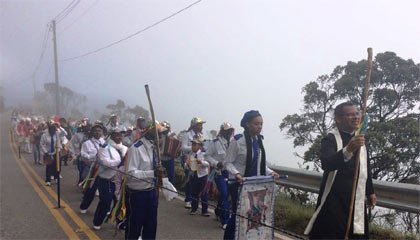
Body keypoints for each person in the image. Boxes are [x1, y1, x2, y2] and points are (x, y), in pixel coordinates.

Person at [305, 102, 377, 239]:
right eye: (350, 114)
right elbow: (327, 163)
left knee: (356, 232)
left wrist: (370, 191)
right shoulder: (330, 139)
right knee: (332, 233)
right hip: (335, 198)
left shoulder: (360, 138)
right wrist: (348, 150)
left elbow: (365, 167)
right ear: (338, 119)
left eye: (357, 113)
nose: (355, 117)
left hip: (356, 197)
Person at [224, 110, 279, 240]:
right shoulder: (237, 141)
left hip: (255, 187)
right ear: (247, 124)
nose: (259, 126)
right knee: (239, 215)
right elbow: (227, 163)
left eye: (261, 124)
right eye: (256, 124)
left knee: (252, 217)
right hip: (239, 184)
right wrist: (237, 174)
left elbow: (260, 164)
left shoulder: (258, 141)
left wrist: (271, 172)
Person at [125, 122, 167, 240]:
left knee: (151, 226)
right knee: (134, 227)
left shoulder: (154, 148)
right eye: (159, 133)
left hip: (152, 192)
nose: (161, 136)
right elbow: (130, 174)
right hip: (137, 194)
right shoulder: (135, 148)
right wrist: (152, 173)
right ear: (150, 133)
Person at [92, 127, 128, 230]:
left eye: (121, 134)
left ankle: (120, 223)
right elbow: (105, 162)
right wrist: (119, 161)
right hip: (106, 180)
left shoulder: (125, 148)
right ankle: (97, 221)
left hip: (120, 181)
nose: (119, 136)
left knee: (120, 203)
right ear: (111, 135)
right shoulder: (105, 147)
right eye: (117, 134)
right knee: (105, 202)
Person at [205, 122, 234, 229]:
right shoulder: (215, 142)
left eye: (230, 131)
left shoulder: (233, 142)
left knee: (227, 195)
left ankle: (218, 211)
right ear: (222, 131)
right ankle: (225, 220)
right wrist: (216, 163)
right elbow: (206, 156)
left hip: (229, 172)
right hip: (219, 172)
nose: (229, 133)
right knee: (224, 193)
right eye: (227, 131)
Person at [79, 124, 105, 214]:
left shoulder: (105, 143)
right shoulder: (87, 143)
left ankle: (106, 209)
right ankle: (84, 206)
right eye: (95, 130)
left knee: (104, 191)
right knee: (90, 190)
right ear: (92, 132)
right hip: (91, 169)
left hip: (103, 170)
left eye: (99, 131)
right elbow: (83, 155)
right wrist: (93, 156)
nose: (97, 132)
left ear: (102, 133)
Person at [181, 117, 206, 208]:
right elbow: (183, 148)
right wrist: (193, 147)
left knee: (194, 180)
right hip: (188, 158)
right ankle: (188, 199)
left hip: (198, 159)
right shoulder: (187, 135)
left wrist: (200, 148)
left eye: (201, 125)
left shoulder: (201, 135)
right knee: (189, 179)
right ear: (194, 126)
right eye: (200, 125)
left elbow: (203, 147)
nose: (201, 127)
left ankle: (193, 200)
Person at [186, 136, 210, 216]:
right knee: (194, 193)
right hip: (194, 175)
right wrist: (187, 164)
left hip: (202, 175)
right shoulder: (190, 154)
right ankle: (194, 208)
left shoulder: (204, 154)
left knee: (204, 193)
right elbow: (186, 164)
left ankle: (204, 210)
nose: (193, 146)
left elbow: (208, 164)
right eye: (192, 144)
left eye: (195, 144)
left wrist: (201, 162)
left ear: (199, 145)